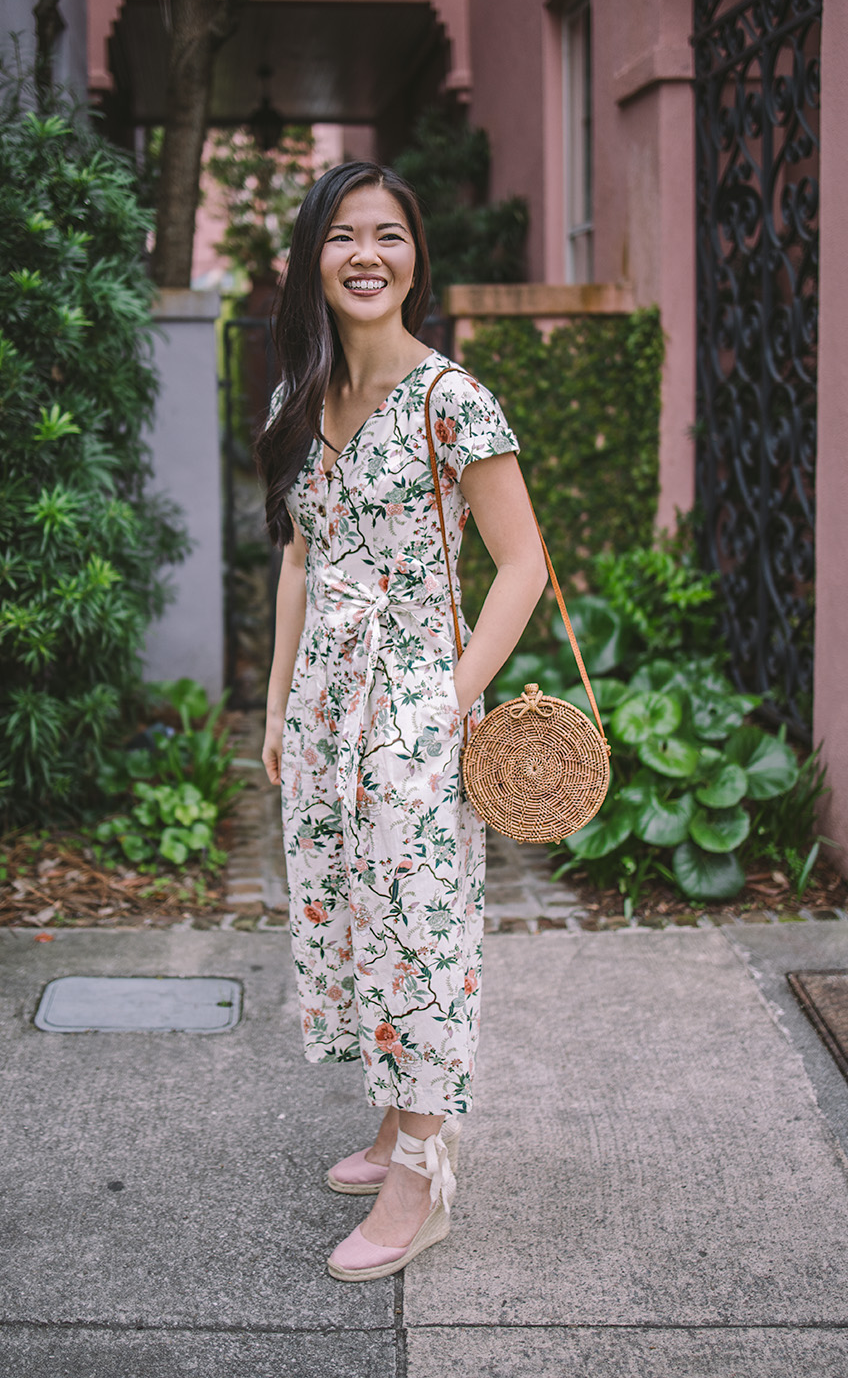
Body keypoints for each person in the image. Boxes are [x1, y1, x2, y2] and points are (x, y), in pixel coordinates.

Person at [256, 161, 547, 1282]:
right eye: (342, 235)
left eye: (388, 234)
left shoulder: (451, 400)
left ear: (415, 256)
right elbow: (298, 559)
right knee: (346, 914)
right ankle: (392, 1119)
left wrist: (448, 698)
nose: (366, 254)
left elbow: (520, 566)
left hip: (413, 698)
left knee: (420, 928)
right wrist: (281, 703)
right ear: (312, 260)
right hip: (328, 701)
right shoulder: (299, 396)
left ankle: (425, 1174)